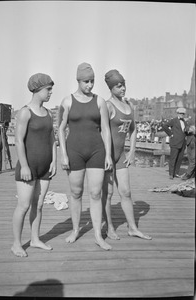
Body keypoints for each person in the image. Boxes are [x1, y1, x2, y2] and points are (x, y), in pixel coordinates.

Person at [58, 62, 113, 251]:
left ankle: (98, 234)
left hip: (97, 151)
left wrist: (108, 155)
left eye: (92, 81)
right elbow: (60, 129)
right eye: (86, 82)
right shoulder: (67, 101)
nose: (90, 85)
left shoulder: (100, 102)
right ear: (78, 80)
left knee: (96, 193)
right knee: (75, 193)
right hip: (74, 151)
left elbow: (105, 129)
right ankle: (75, 230)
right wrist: (64, 155)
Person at [101, 69, 152, 240]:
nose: (123, 89)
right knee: (108, 194)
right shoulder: (107, 106)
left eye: (124, 85)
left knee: (126, 192)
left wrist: (132, 151)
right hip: (106, 155)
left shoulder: (129, 106)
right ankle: (109, 227)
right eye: (118, 86)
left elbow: (134, 129)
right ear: (111, 88)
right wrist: (106, 155)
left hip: (121, 155)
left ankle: (132, 228)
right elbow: (102, 131)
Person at [11, 73, 57, 257]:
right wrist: (24, 166)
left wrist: (54, 160)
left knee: (38, 206)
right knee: (23, 206)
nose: (51, 92)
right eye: (48, 89)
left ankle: (36, 239)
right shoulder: (25, 112)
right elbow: (18, 141)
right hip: (28, 167)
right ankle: (16, 243)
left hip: (45, 167)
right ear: (37, 89)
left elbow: (52, 139)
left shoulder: (48, 113)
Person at [162, 107, 187, 180]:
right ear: (178, 113)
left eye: (183, 113)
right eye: (181, 113)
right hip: (175, 142)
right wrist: (170, 134)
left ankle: (176, 173)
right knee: (173, 158)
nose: (182, 115)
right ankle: (171, 174)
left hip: (182, 143)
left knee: (179, 159)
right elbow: (164, 126)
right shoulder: (174, 120)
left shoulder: (184, 121)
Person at [182, 115, 195, 180]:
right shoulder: (191, 120)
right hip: (190, 143)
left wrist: (193, 130)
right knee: (191, 159)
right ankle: (191, 174)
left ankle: (188, 174)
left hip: (193, 143)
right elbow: (186, 128)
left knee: (193, 160)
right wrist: (188, 129)